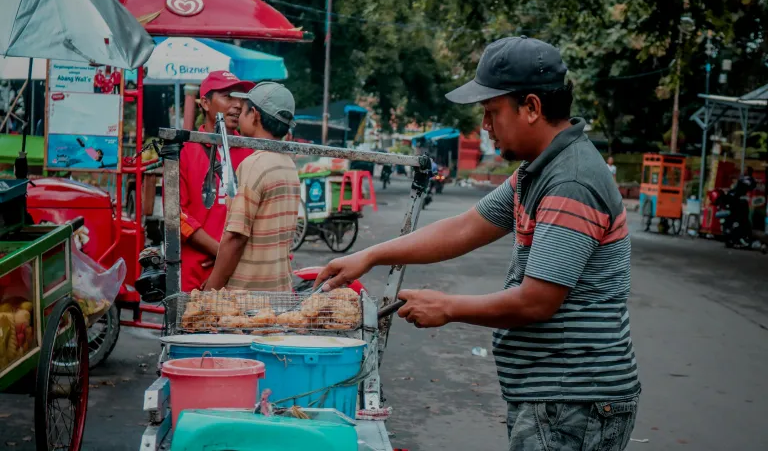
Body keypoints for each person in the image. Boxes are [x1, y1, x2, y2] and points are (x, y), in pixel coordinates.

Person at [315, 36, 640, 451]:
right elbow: (467, 227)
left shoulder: (570, 180)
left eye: (491, 112)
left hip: (575, 396)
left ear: (532, 108)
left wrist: (447, 306)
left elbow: (537, 301)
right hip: (555, 393)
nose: (484, 127)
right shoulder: (536, 171)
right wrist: (370, 255)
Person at [204, 82, 301, 292]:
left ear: (255, 114)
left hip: (247, 298)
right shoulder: (287, 163)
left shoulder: (254, 164)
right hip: (278, 292)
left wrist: (211, 288)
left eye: (244, 109)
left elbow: (236, 237)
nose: (239, 113)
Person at [178, 71, 254, 292]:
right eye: (228, 96)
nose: (238, 104)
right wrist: (221, 252)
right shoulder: (185, 151)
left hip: (242, 270)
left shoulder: (251, 151)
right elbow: (177, 214)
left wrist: (228, 257)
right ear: (205, 102)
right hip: (197, 269)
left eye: (240, 97)